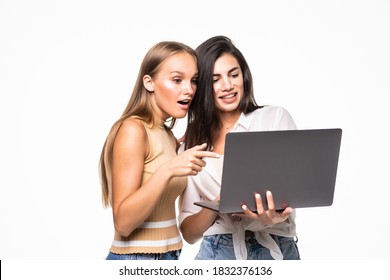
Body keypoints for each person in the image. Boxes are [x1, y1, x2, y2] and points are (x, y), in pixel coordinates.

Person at [178, 35, 300, 260]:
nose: (228, 85)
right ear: (203, 85)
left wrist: (272, 217)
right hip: (216, 253)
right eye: (215, 79)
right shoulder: (190, 143)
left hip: (274, 249)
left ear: (244, 75)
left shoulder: (273, 118)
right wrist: (216, 205)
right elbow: (189, 232)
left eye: (233, 75)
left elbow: (292, 193)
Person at [99, 41, 220, 260]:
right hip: (135, 260)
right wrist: (167, 170)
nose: (189, 89)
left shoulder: (167, 135)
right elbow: (123, 223)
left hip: (169, 256)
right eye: (177, 80)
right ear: (149, 82)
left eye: (193, 81)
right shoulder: (133, 129)